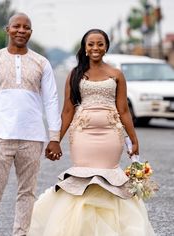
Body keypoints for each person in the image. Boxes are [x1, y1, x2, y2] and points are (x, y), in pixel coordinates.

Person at [28, 29, 155, 236]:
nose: (95, 48)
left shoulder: (116, 74)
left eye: (100, 44)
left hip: (111, 136)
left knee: (108, 178)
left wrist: (133, 140)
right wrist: (55, 140)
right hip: (82, 136)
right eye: (91, 44)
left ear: (106, 47)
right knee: (83, 180)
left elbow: (123, 110)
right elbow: (68, 110)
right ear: (85, 48)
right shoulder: (75, 74)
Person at [0, 13, 62, 236]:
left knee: (27, 193)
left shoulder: (42, 63)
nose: (21, 31)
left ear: (31, 32)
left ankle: (21, 234)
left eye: (26, 27)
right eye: (17, 26)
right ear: (8, 29)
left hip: (32, 138)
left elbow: (51, 100)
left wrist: (54, 137)